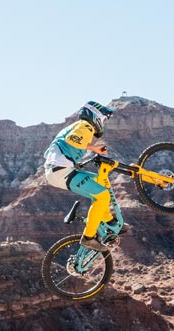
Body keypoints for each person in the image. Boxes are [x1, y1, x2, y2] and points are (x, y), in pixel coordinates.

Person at [41, 100, 125, 252]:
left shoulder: (76, 126)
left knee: (98, 183)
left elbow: (55, 149)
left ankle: (110, 221)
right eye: (104, 119)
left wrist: (75, 163)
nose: (103, 123)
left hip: (59, 170)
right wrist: (94, 148)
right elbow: (71, 139)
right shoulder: (86, 126)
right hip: (61, 170)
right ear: (96, 115)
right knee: (103, 196)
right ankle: (89, 237)